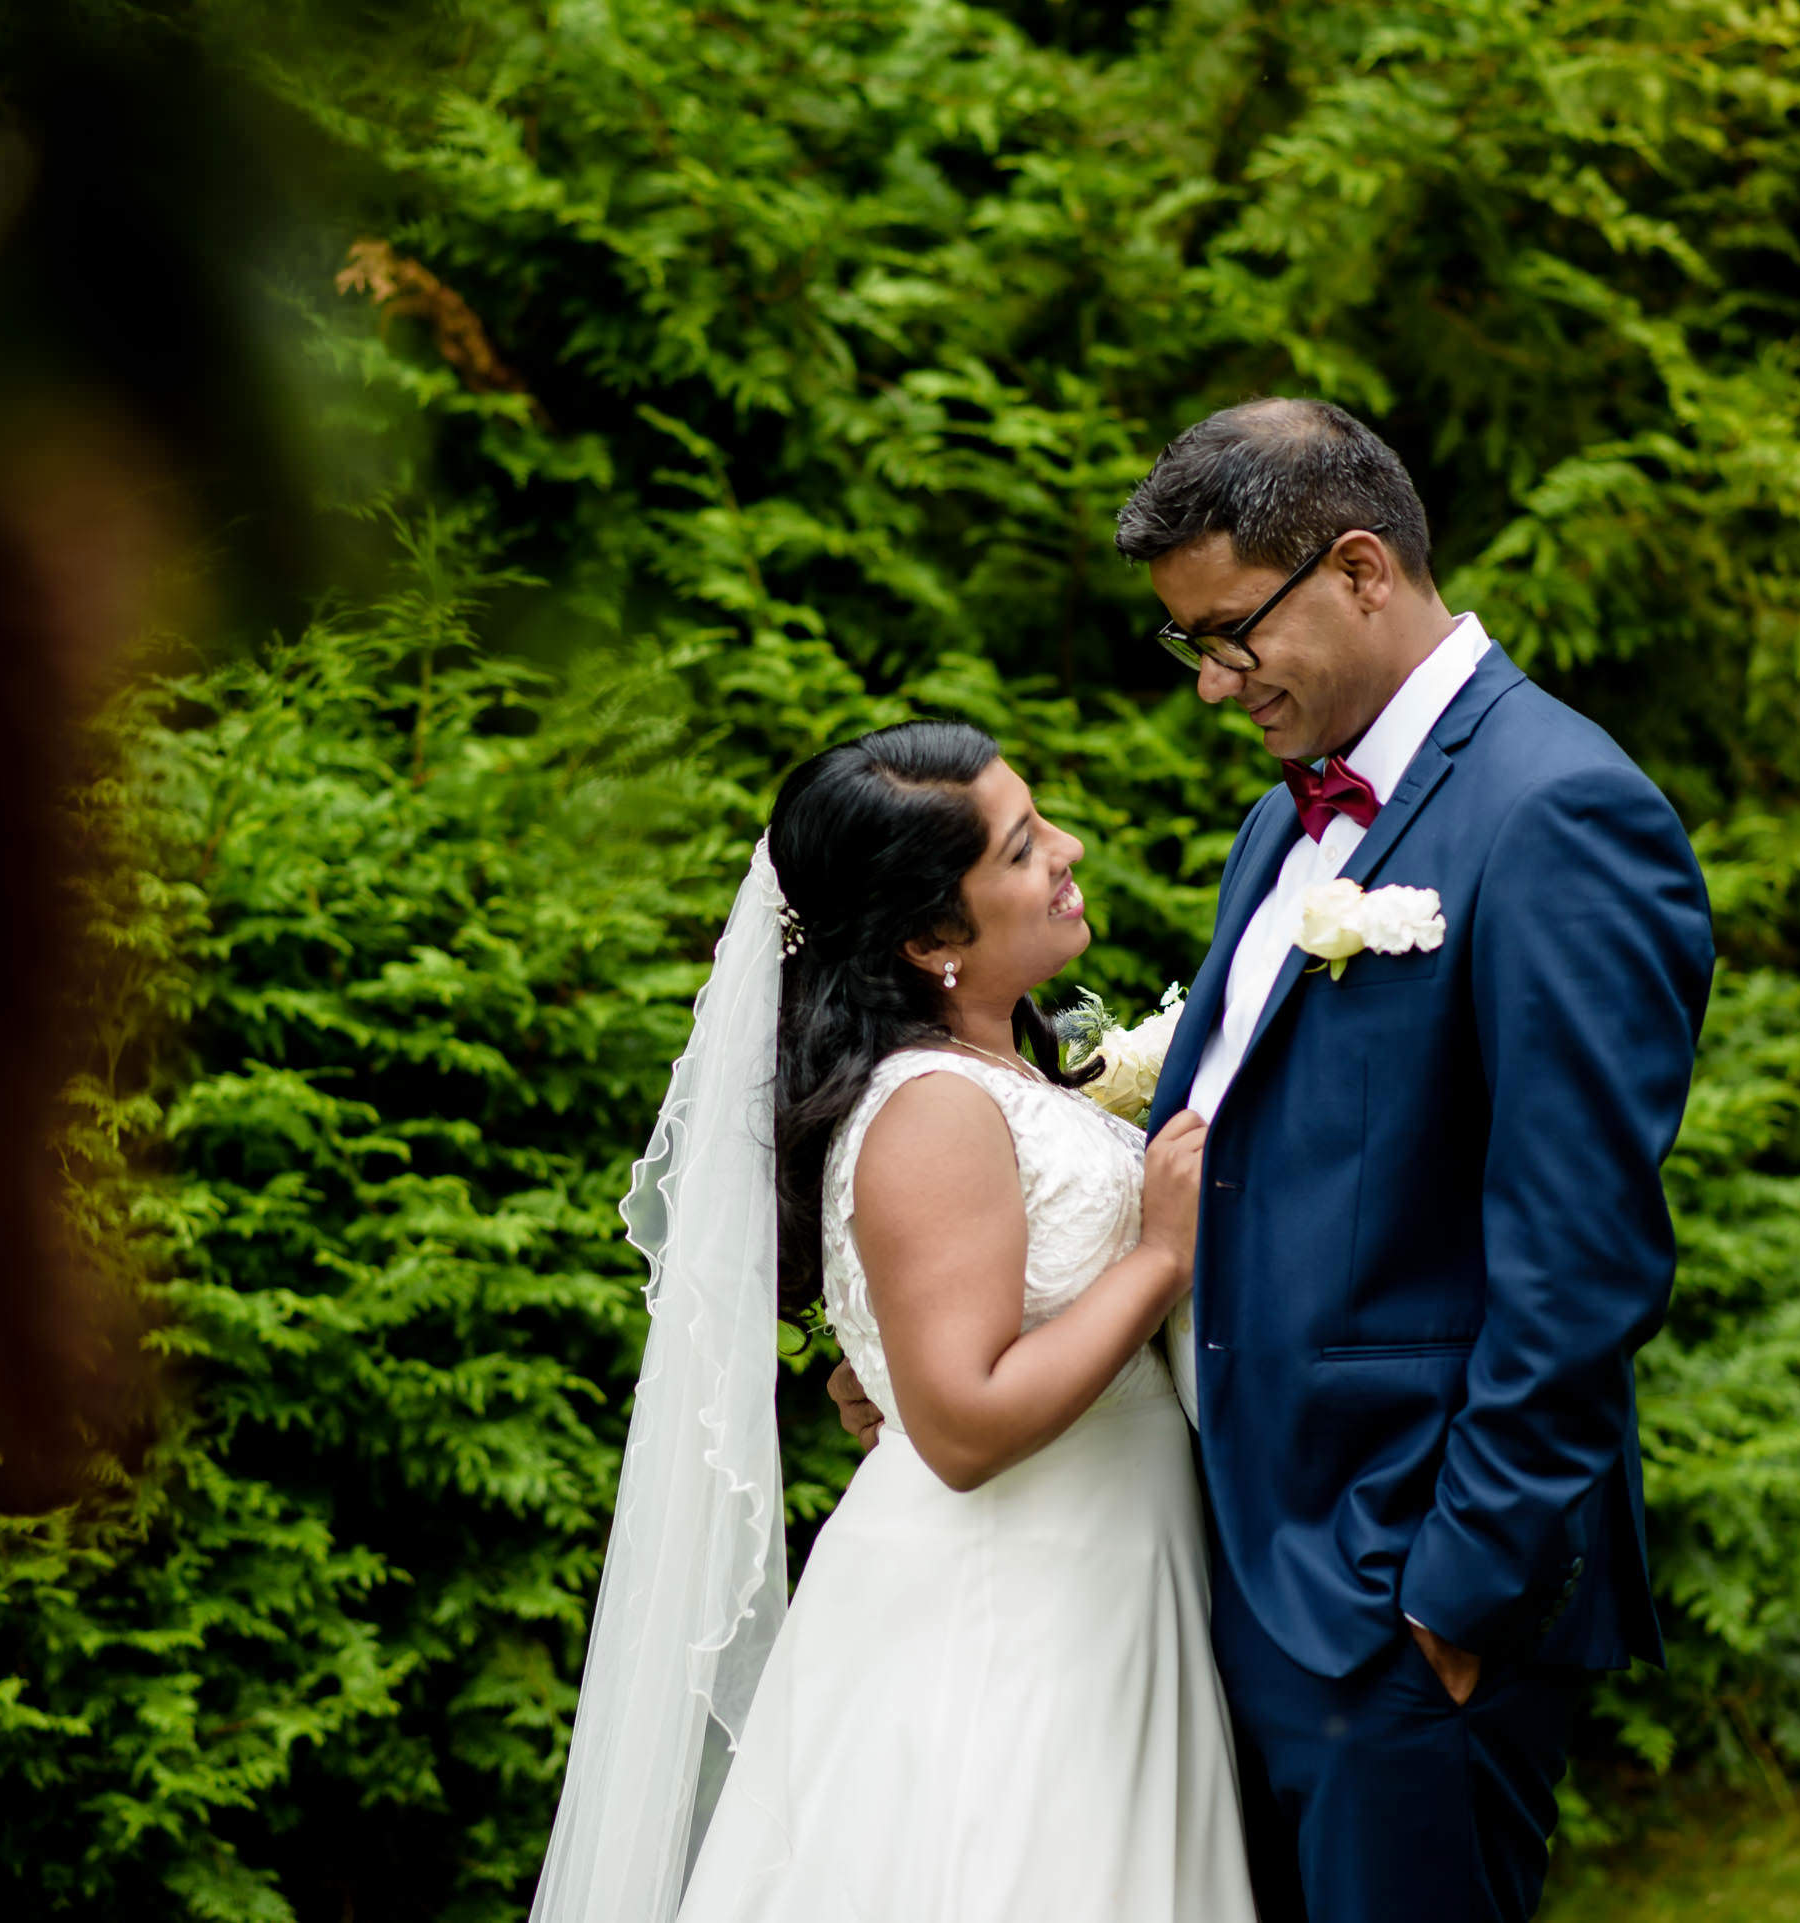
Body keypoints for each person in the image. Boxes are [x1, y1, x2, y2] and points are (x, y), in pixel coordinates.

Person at [836, 398, 1714, 1922]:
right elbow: (1255, 1164)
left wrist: (1458, 1594)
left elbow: (1584, 1258)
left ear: (1362, 569)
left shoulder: (1559, 812)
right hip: (1233, 1571)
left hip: (1400, 1598)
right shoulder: (1279, 827)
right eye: (1192, 646)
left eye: (1231, 637)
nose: (1213, 685)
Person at [530, 722, 1258, 1923]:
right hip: (1014, 1611)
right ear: (930, 940)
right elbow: (965, 1428)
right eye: (1023, 850)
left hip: (1098, 1578)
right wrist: (1163, 1254)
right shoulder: (932, 1106)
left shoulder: (996, 1078)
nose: (1068, 851)